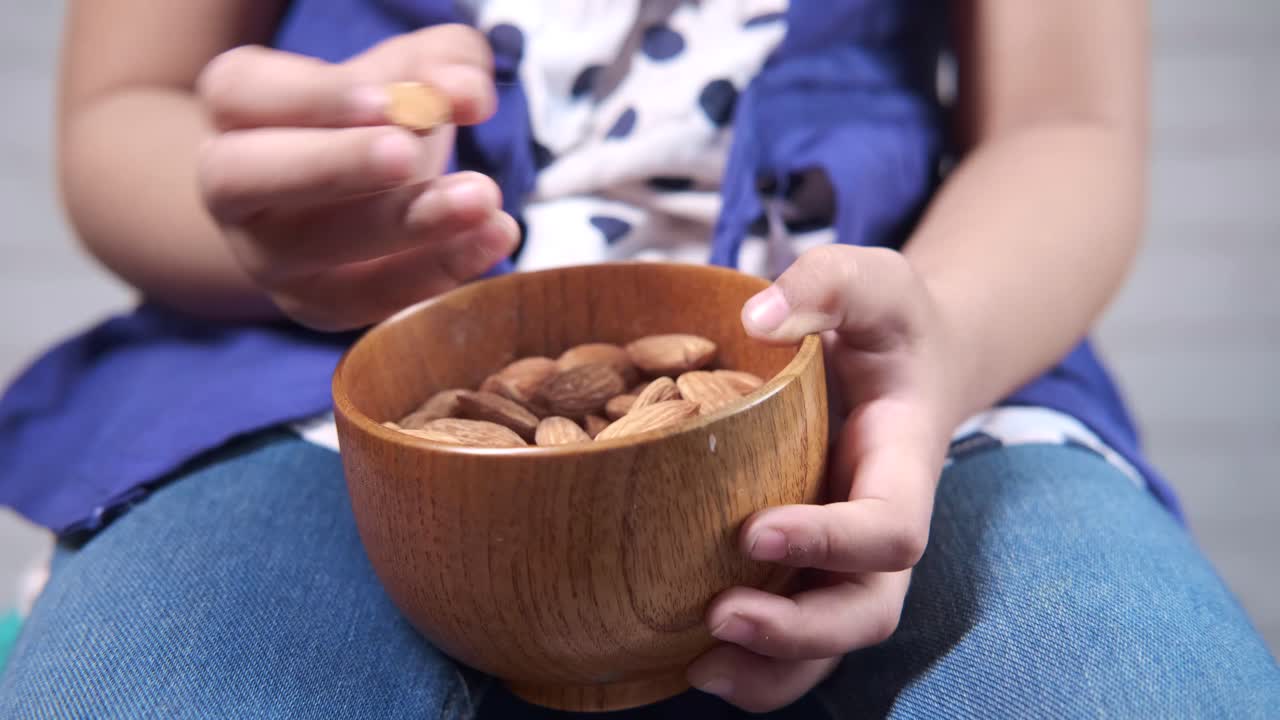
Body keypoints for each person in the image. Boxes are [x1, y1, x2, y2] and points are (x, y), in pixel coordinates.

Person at [1, 1, 1277, 717]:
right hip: (318, 389)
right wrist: (261, 224)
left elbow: (1064, 126)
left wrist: (942, 332)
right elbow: (124, 116)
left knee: (1137, 686)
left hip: (902, 376)